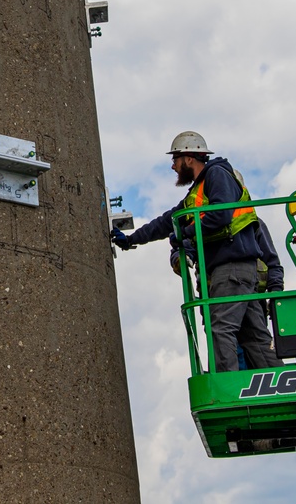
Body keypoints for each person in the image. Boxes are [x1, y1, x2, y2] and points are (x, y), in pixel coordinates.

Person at [111, 131, 283, 372]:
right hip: (239, 272)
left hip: (230, 269)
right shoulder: (197, 193)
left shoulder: (217, 174)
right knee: (254, 338)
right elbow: (167, 221)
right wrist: (131, 238)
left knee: (221, 329)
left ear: (189, 158)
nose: (173, 166)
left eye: (175, 160)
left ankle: (228, 391)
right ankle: (283, 384)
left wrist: (187, 233)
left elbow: (221, 215)